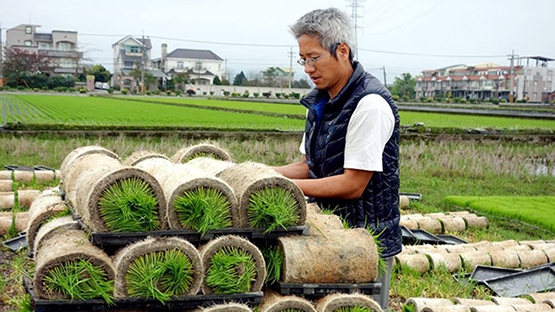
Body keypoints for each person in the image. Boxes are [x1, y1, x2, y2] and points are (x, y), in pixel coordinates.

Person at [273, 7, 402, 311]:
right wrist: (255, 174)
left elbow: (353, 184)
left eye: (314, 58)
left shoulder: (370, 104)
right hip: (330, 236)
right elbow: (308, 166)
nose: (307, 68)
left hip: (366, 244)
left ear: (342, 51)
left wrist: (285, 185)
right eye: (303, 59)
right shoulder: (320, 102)